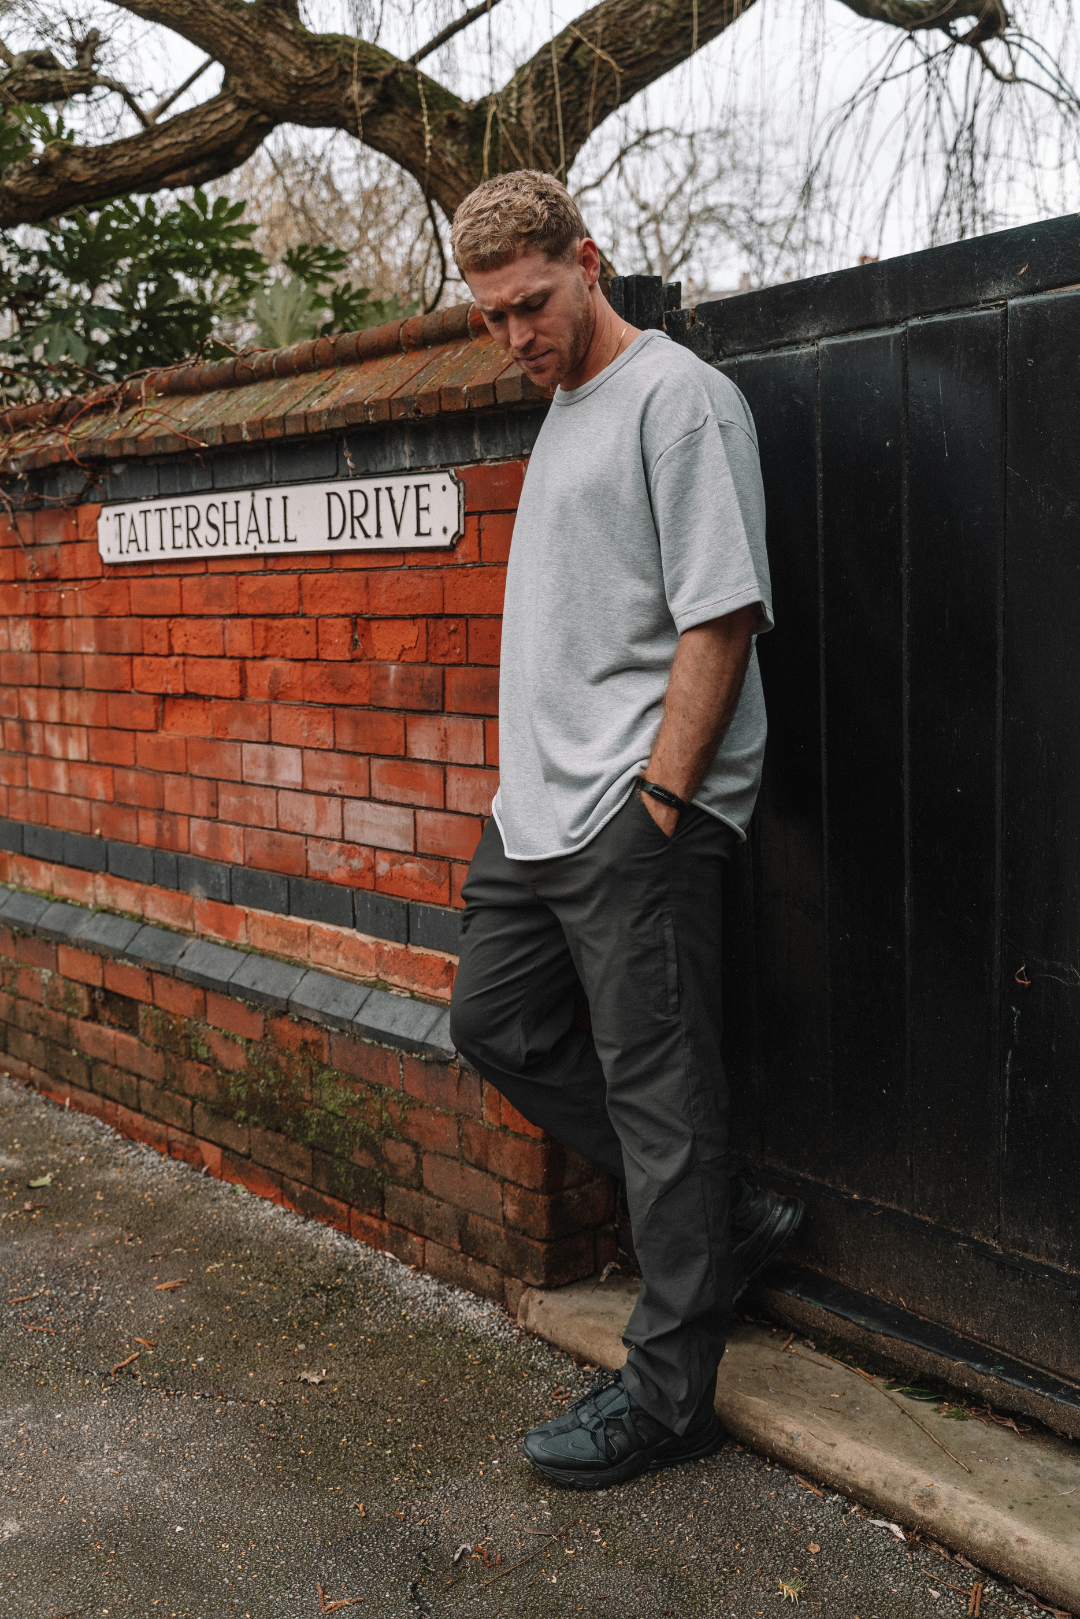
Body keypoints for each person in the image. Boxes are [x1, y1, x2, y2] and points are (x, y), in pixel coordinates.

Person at [448, 170, 803, 1491]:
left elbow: (721, 613)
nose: (515, 335)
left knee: (661, 1097)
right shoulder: (562, 410)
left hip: (637, 812)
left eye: (532, 303)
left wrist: (661, 801)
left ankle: (668, 1399)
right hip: (537, 814)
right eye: (492, 316)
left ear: (588, 263)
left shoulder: (677, 399)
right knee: (493, 1021)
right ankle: (720, 1216)